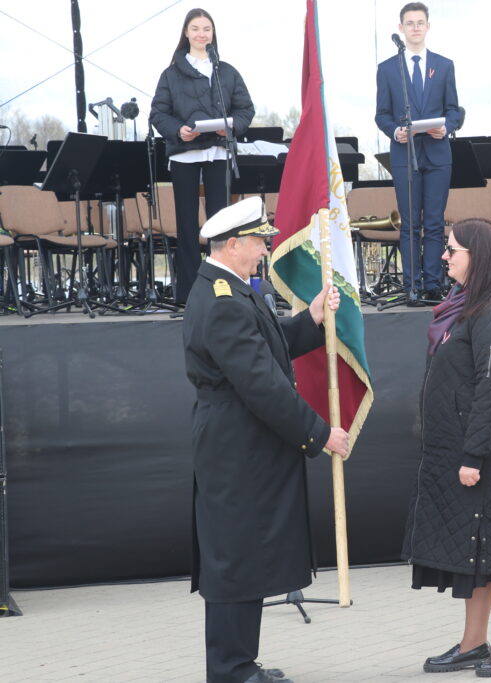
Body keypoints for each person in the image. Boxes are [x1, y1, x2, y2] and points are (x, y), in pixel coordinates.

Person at [183, 197, 349, 683]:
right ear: (233, 244)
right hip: (237, 445)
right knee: (235, 557)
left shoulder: (230, 290)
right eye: (259, 242)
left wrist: (310, 318)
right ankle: (230, 669)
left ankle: (240, 662)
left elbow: (268, 345)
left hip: (242, 442)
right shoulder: (222, 301)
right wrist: (320, 434)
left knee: (247, 551)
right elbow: (262, 384)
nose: (264, 250)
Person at [403, 218, 491, 677]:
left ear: (475, 257)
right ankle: (473, 644)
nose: (444, 256)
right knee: (473, 548)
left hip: (480, 455)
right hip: (456, 450)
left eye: (453, 250)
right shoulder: (465, 307)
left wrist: (473, 457)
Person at [151, 7, 254, 305]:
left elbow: (245, 109)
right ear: (186, 33)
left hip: (218, 153)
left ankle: (223, 290)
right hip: (184, 155)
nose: (201, 34)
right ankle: (188, 295)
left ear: (213, 33)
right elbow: (158, 113)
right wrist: (178, 131)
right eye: (195, 28)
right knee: (187, 225)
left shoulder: (226, 71)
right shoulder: (170, 74)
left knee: (221, 224)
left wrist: (230, 127)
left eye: (206, 29)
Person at [374, 2, 460, 305]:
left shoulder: (444, 65)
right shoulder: (387, 69)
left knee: (434, 222)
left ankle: (433, 284)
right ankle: (412, 285)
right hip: (404, 153)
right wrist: (394, 131)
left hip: (437, 153)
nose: (415, 28)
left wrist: (446, 127)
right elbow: (382, 114)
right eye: (409, 23)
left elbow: (454, 109)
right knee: (410, 223)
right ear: (401, 28)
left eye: (420, 22)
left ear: (428, 26)